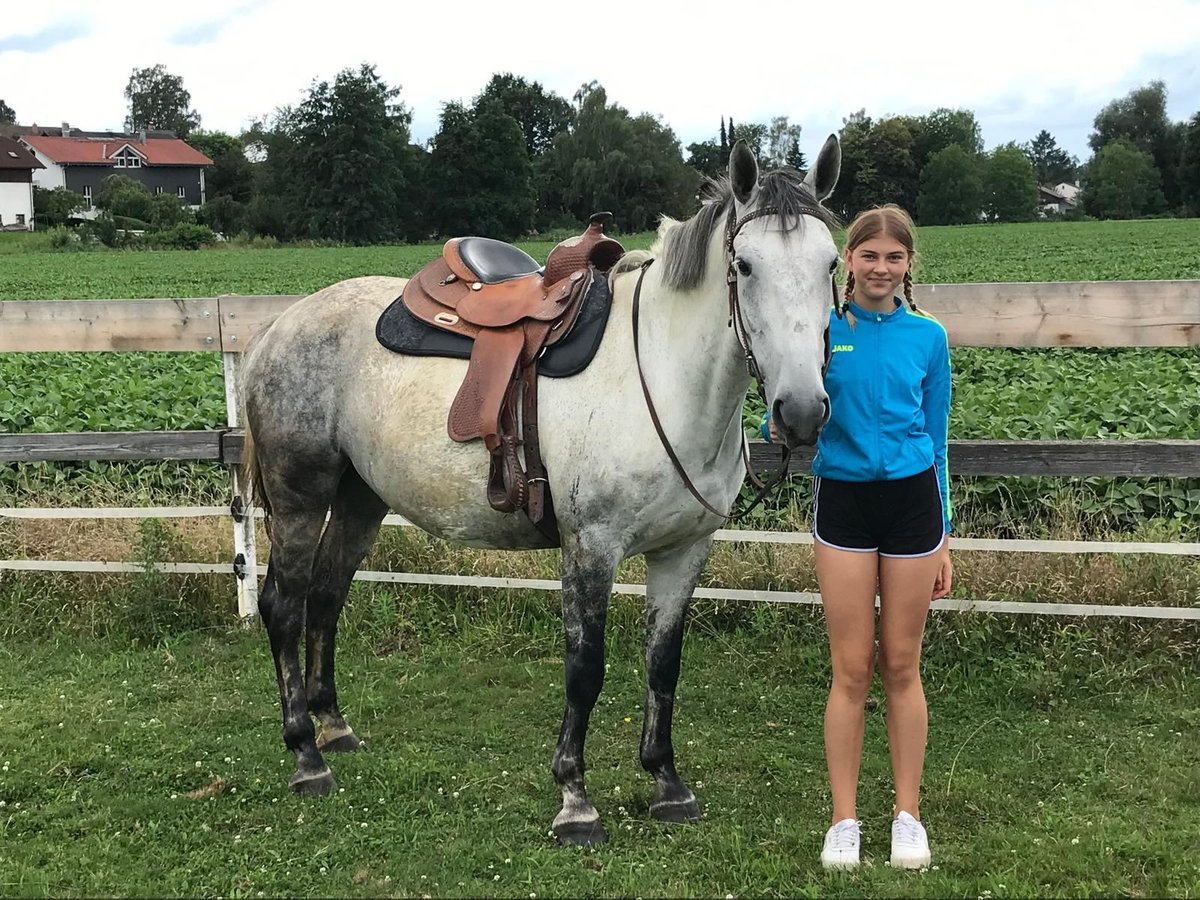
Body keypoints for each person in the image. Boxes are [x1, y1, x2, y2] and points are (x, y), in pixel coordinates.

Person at [766, 204, 953, 870]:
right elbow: (783, 405)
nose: (880, 268)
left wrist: (945, 535)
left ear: (908, 264)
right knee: (851, 670)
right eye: (868, 255)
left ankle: (908, 816)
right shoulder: (823, 329)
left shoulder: (929, 337)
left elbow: (938, 439)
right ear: (848, 260)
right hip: (842, 503)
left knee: (902, 666)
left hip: (912, 508)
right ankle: (843, 820)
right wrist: (776, 424)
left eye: (893, 257)